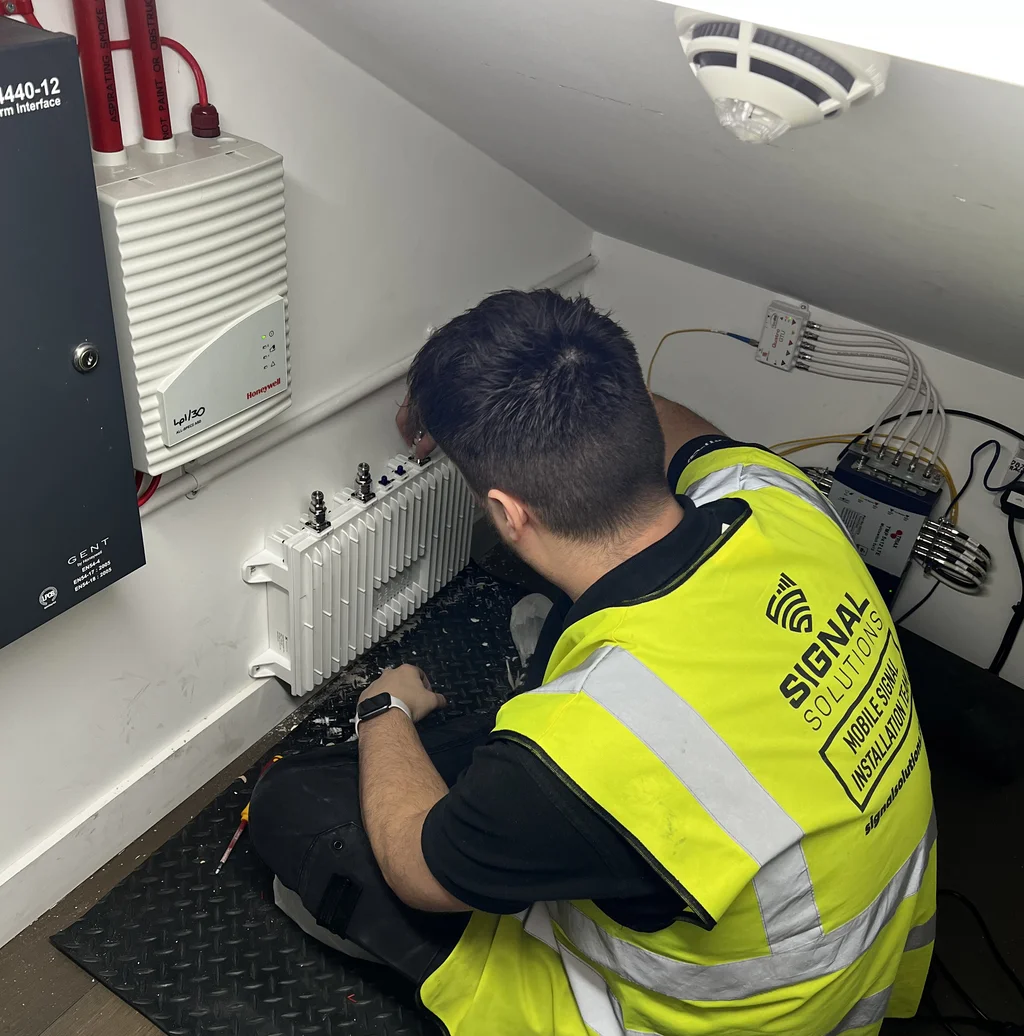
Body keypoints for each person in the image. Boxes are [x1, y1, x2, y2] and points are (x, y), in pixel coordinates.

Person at [249, 289, 935, 1036]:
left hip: (721, 1014)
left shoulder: (599, 738)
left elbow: (419, 870)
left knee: (297, 805)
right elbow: (692, 433)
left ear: (508, 515)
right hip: (856, 944)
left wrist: (384, 707)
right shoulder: (779, 498)